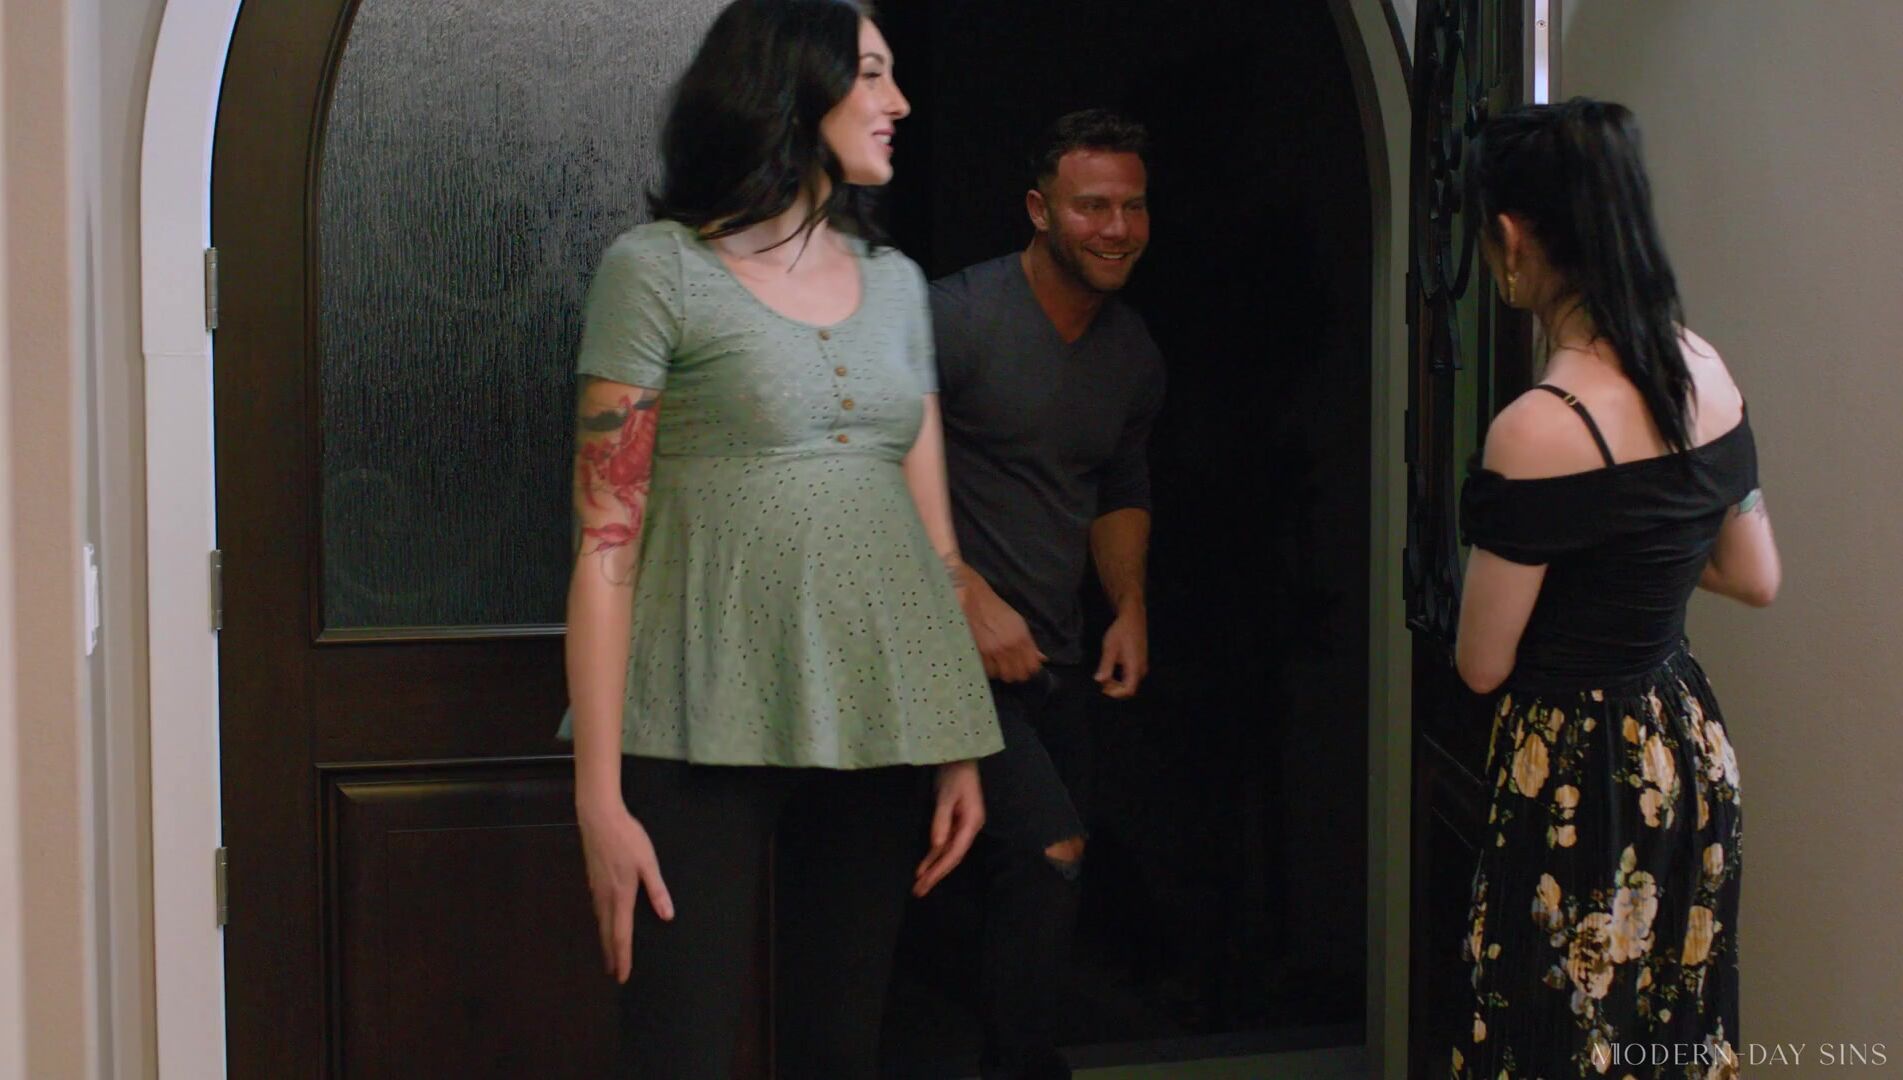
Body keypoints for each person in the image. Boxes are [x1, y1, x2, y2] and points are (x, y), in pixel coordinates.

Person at [561, 3, 1002, 1076]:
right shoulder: (657, 270)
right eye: (872, 74)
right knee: (679, 1050)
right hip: (691, 712)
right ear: (793, 87)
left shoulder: (897, 286)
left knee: (838, 1049)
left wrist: (954, 734)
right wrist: (598, 797)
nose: (899, 102)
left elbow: (934, 544)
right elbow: (606, 543)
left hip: (879, 717)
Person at [1450, 98, 1780, 1078]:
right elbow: (1753, 575)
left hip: (1576, 765)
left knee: (1555, 1040)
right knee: (1671, 1028)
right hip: (1685, 746)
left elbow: (1480, 663)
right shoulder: (1704, 371)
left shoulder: (1535, 428)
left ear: (1510, 237)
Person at [930, 109, 1167, 1080]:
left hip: (1054, 660)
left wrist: (1129, 606)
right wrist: (961, 591)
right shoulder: (955, 318)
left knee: (1024, 885)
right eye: (1091, 206)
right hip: (940, 654)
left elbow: (1118, 484)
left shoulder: (1130, 351)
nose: (1116, 228)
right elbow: (867, 464)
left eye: (1132, 207)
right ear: (1038, 210)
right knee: (1047, 850)